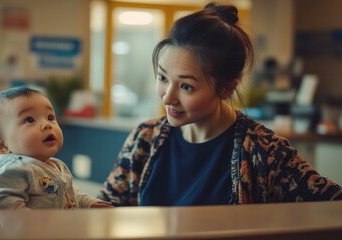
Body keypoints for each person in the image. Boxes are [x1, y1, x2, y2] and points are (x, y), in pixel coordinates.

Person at [98, 2, 342, 206]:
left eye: (186, 86)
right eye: (163, 78)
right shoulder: (145, 140)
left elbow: (332, 204)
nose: (167, 97)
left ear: (226, 88)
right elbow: (104, 211)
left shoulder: (264, 152)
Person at [0, 86, 112, 210]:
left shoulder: (56, 166)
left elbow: (71, 195)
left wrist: (90, 204)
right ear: (2, 145)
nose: (46, 125)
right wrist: (44, 226)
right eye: (30, 120)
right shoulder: (13, 171)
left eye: (50, 117)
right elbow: (3, 210)